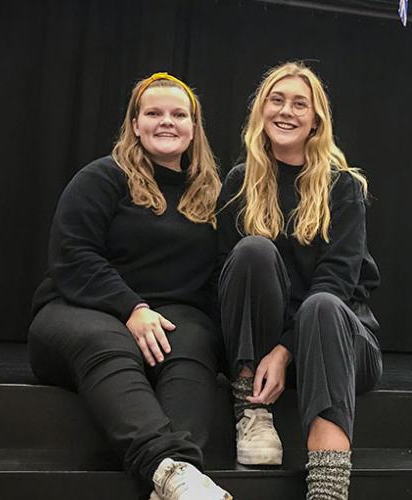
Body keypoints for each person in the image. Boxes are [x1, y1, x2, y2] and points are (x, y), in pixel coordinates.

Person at [28, 72, 231, 500]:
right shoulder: (102, 177)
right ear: (135, 124)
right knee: (110, 341)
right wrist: (132, 308)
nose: (166, 121)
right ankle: (167, 468)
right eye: (154, 113)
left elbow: (217, 277)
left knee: (195, 342)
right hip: (79, 309)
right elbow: (73, 255)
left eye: (179, 114)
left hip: (171, 318)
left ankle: (178, 486)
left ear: (194, 127)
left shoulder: (212, 196)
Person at [216, 62, 383, 500]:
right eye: (277, 100)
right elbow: (225, 279)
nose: (286, 111)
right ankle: (251, 409)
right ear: (261, 111)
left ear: (316, 121)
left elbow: (337, 280)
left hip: (339, 341)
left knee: (322, 305)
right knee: (252, 251)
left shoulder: (343, 186)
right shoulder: (239, 183)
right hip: (260, 353)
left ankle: (328, 491)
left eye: (299, 104)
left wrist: (285, 350)